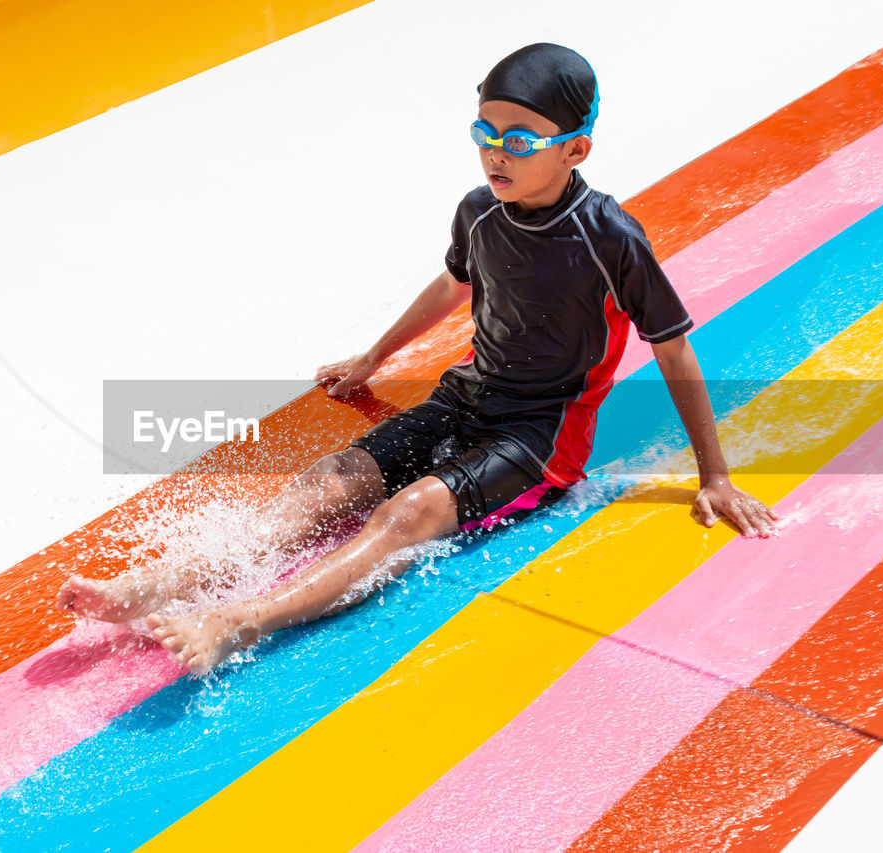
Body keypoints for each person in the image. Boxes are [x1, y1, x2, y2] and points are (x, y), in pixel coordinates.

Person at [56, 43, 777, 675]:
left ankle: (234, 621)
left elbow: (673, 345)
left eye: (520, 139)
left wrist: (715, 475)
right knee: (329, 483)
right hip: (463, 398)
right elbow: (456, 282)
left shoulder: (609, 237)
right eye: (485, 133)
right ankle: (152, 587)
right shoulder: (479, 208)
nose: (497, 151)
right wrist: (372, 358)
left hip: (538, 438)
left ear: (576, 149)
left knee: (407, 514)